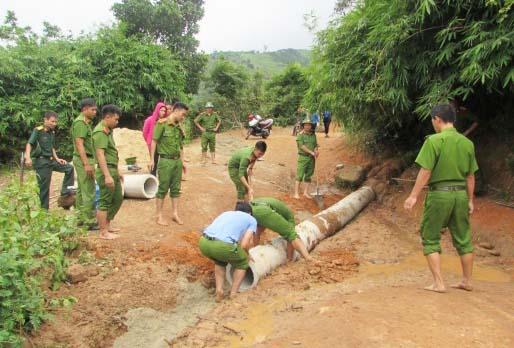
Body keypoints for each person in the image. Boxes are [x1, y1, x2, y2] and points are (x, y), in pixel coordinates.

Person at [404, 104, 478, 293]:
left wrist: (413, 196)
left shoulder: (434, 141)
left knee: (430, 237)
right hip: (461, 195)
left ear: (437, 119)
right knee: (463, 238)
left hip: (439, 195)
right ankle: (467, 281)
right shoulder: (467, 143)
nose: (433, 123)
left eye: (432, 120)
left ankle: (439, 283)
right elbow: (470, 176)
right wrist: (470, 200)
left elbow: (426, 170)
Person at [199, 202, 257, 301]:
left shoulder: (226, 213)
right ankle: (233, 293)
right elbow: (244, 244)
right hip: (222, 246)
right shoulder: (251, 220)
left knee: (220, 261)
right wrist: (247, 255)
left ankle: (219, 290)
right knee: (242, 263)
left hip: (203, 242)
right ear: (250, 213)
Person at [24, 112, 75, 210]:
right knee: (44, 189)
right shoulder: (38, 131)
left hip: (52, 161)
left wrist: (57, 159)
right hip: (42, 162)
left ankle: (66, 193)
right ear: (45, 120)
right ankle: (44, 212)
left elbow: (52, 147)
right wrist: (28, 157)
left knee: (69, 168)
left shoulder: (52, 132)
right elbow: (29, 144)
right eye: (52, 121)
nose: (54, 123)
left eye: (55, 122)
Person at [150, 102, 189, 226]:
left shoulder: (178, 127)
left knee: (176, 189)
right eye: (183, 114)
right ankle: (158, 215)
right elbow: (154, 141)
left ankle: (175, 213)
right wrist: (152, 159)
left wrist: (182, 161)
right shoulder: (162, 124)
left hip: (177, 161)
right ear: (176, 111)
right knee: (163, 188)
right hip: (165, 161)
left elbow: (181, 146)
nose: (183, 117)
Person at [250, 197, 316, 262]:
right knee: (291, 234)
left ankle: (256, 251)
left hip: (253, 206)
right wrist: (289, 258)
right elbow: (290, 239)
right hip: (264, 210)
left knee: (257, 230)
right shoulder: (290, 218)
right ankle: (308, 257)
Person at [93, 105, 123, 240]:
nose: (117, 122)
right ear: (107, 117)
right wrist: (107, 175)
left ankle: (107, 224)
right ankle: (103, 231)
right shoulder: (100, 132)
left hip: (112, 169)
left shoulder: (108, 131)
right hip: (105, 170)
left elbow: (112, 153)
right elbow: (100, 155)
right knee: (104, 201)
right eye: (115, 119)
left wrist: (117, 171)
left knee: (117, 199)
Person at [71, 98, 98, 229]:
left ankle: (80, 218)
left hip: (82, 159)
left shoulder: (85, 122)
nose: (95, 112)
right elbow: (79, 143)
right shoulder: (80, 123)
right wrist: (86, 164)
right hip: (84, 159)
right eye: (92, 109)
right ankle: (89, 221)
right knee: (89, 190)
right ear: (84, 109)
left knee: (82, 190)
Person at [294, 118, 319, 199]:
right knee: (299, 175)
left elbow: (315, 145)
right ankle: (296, 193)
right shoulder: (300, 135)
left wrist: (316, 151)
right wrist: (311, 152)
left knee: (308, 175)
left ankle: (305, 192)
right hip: (303, 157)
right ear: (303, 126)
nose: (307, 126)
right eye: (306, 125)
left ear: (311, 126)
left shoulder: (313, 135)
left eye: (309, 125)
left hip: (312, 158)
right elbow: (302, 146)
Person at [143, 102, 167, 176]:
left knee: (163, 161)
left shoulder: (165, 121)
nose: (163, 112)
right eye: (161, 110)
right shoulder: (150, 120)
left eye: (164, 111)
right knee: (154, 161)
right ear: (157, 110)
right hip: (153, 144)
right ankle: (153, 177)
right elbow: (144, 132)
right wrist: (149, 141)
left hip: (162, 144)